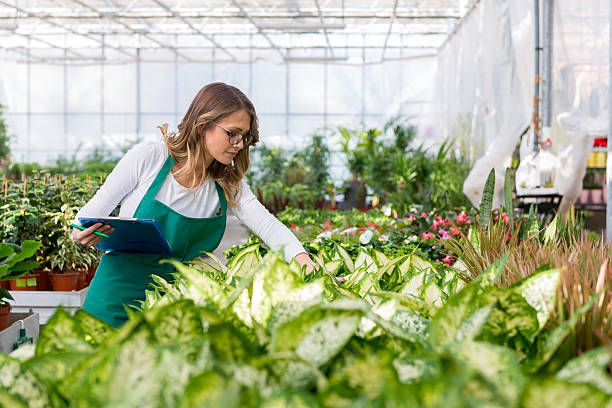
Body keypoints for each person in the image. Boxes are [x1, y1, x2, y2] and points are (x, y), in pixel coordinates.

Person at [73, 82, 316, 327]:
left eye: (245, 136)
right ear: (203, 126)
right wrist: (82, 233)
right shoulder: (150, 158)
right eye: (232, 133)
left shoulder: (227, 183)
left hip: (170, 306)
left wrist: (310, 269)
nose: (240, 144)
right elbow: (88, 216)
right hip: (113, 298)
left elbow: (269, 227)